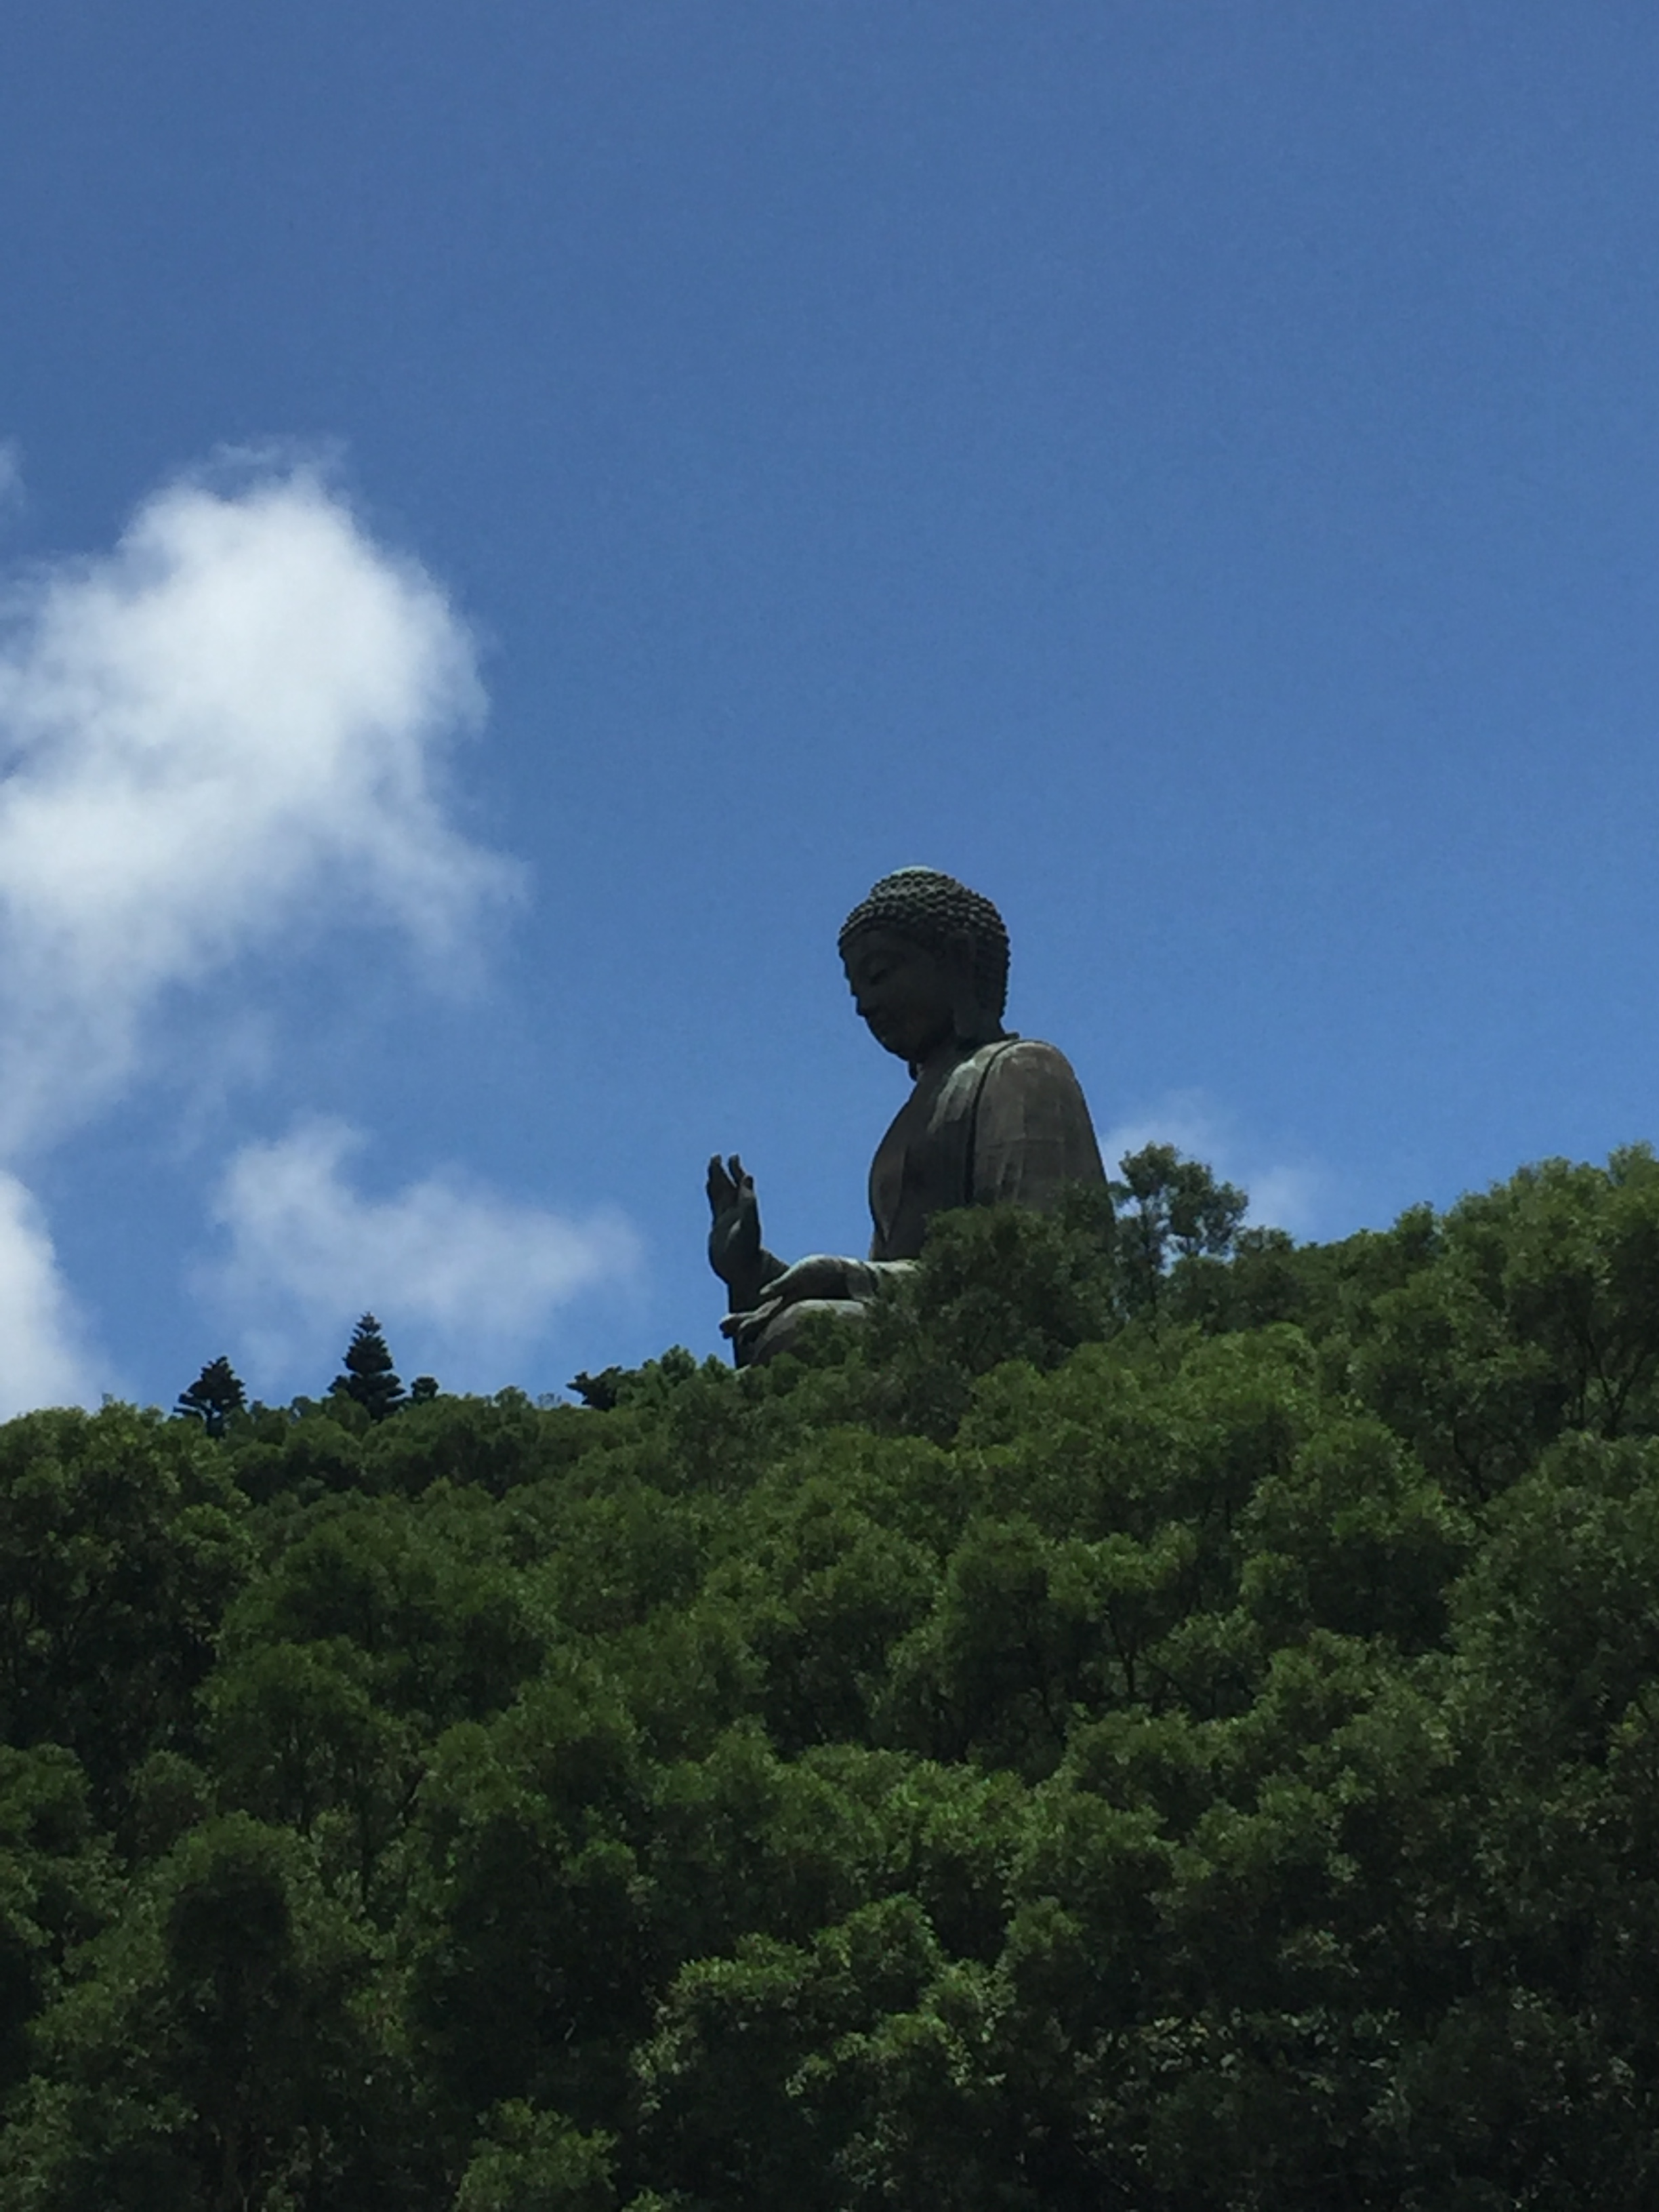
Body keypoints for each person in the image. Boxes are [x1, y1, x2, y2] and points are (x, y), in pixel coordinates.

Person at [709, 867, 1105, 1363]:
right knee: (793, 1331)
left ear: (958, 959)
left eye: (880, 976)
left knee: (806, 1331)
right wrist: (751, 1271)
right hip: (923, 1339)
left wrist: (853, 1278)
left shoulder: (1023, 1070)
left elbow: (1042, 1264)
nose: (865, 1006)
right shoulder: (910, 1120)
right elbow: (898, 1284)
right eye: (855, 992)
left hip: (998, 1351)